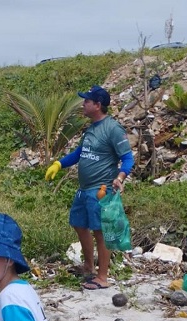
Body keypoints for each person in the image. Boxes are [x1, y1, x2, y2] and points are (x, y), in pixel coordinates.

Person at [45, 85, 134, 291]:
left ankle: (102, 277)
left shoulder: (112, 129)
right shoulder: (91, 128)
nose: (83, 104)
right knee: (78, 223)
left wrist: (120, 176)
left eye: (86, 101)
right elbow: (79, 153)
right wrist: (59, 164)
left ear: (98, 105)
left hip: (100, 189)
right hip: (84, 189)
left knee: (100, 231)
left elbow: (128, 158)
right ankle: (88, 266)